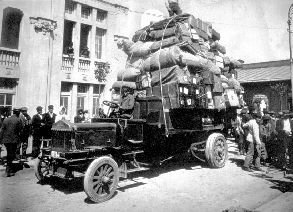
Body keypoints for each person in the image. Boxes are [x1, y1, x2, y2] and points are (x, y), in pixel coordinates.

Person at [0, 107, 23, 177]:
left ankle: (8, 170)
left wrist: (0, 140)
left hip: (6, 141)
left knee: (9, 154)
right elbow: (21, 131)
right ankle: (7, 171)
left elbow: (2, 131)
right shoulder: (18, 120)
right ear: (18, 113)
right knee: (11, 155)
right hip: (13, 140)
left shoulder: (6, 120)